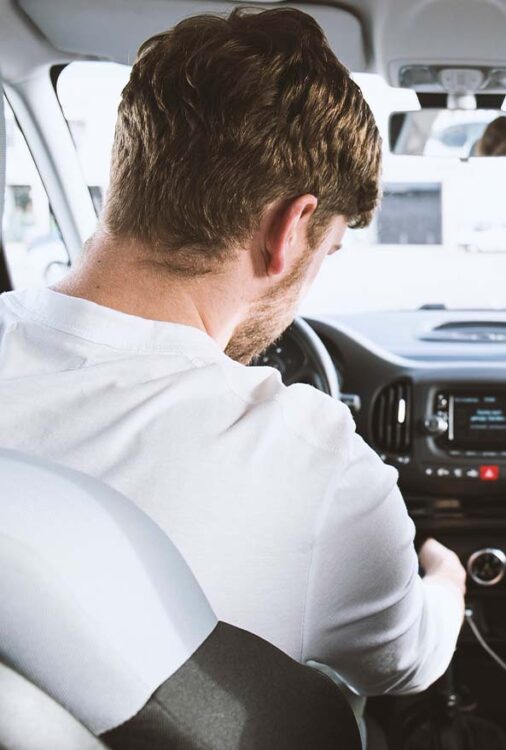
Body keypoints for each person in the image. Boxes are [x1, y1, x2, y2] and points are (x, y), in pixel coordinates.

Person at [0, 8, 466, 699]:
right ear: (291, 229)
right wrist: (447, 577)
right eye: (326, 253)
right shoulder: (318, 467)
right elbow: (404, 664)